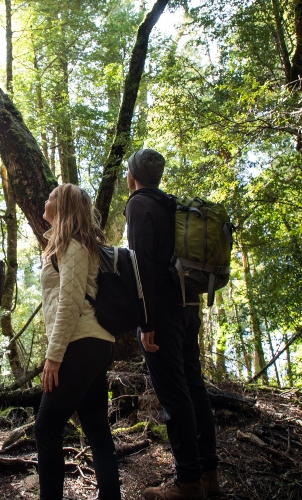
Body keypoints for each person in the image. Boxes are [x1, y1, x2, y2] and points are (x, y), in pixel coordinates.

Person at [124, 149, 219, 500]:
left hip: (161, 313)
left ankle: (187, 483)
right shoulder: (172, 204)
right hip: (189, 307)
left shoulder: (138, 205)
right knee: (194, 387)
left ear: (132, 175)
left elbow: (141, 268)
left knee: (174, 395)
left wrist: (145, 321)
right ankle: (208, 473)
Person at [34, 184, 121, 500]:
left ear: (63, 206)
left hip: (80, 343)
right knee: (97, 427)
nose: (47, 199)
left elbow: (70, 305)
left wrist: (54, 355)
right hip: (92, 344)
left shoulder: (73, 247)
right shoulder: (71, 245)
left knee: (46, 427)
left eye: (52, 197)